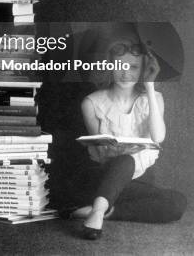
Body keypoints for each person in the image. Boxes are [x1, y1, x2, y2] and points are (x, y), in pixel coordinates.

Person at [70, 37, 187, 240]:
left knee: (177, 202)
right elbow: (99, 149)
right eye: (119, 66)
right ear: (110, 67)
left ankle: (104, 211)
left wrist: (150, 87)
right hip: (103, 175)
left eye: (133, 67)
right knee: (125, 160)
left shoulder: (154, 98)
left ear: (142, 69)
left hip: (136, 182)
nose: (126, 73)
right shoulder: (92, 102)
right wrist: (115, 152)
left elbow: (159, 136)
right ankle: (97, 213)